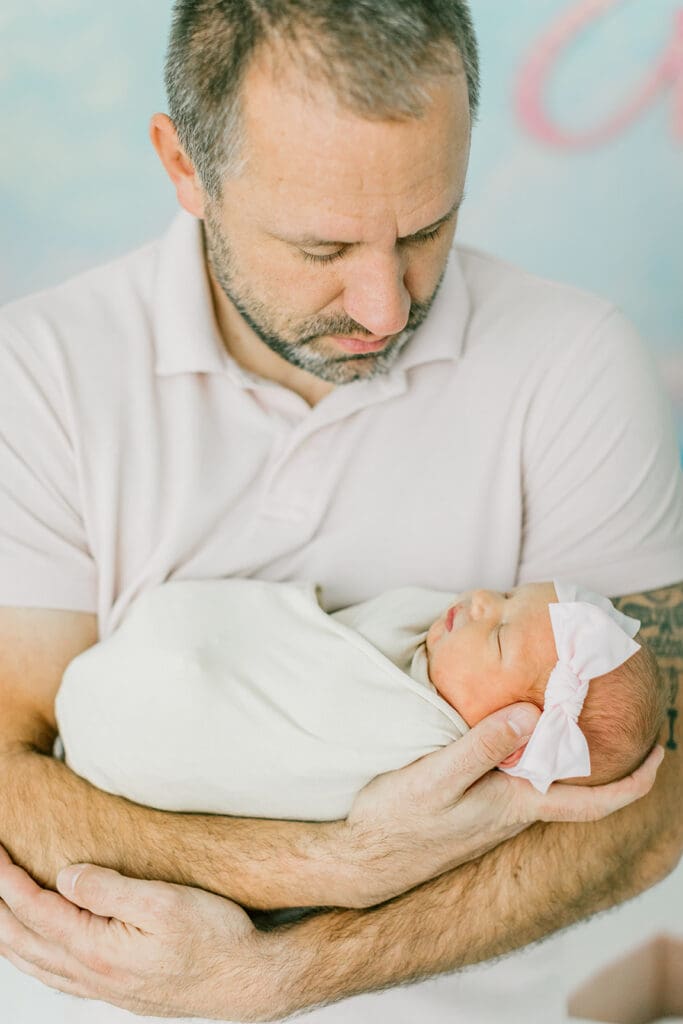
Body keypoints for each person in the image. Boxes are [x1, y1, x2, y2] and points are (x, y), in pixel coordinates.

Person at [0, 1, 680, 1021]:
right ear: (184, 166)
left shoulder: (571, 361)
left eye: (424, 229)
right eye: (320, 249)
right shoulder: (41, 373)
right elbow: (12, 773)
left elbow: (648, 805)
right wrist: (337, 862)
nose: (385, 306)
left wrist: (285, 973)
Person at [55, 578, 665, 831]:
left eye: (499, 632)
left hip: (142, 736)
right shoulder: (429, 650)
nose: (479, 598)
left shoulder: (421, 745)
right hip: (158, 675)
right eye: (505, 595)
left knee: (187, 690)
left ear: (515, 738)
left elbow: (303, 747)